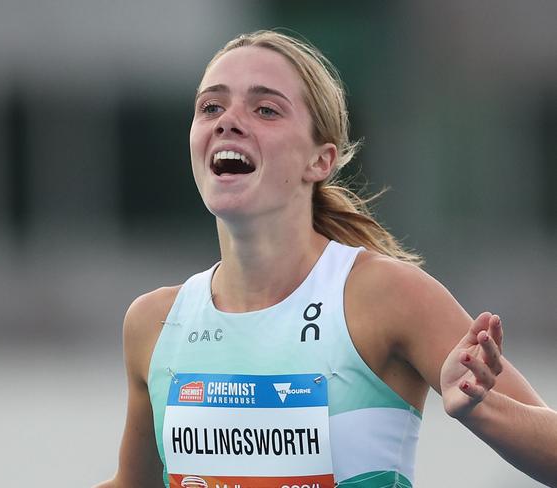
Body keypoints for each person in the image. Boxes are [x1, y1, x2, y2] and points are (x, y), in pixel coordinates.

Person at [94, 30, 557, 488]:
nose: (227, 121)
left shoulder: (384, 296)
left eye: (265, 109)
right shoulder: (154, 323)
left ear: (320, 161)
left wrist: (484, 410)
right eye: (211, 106)